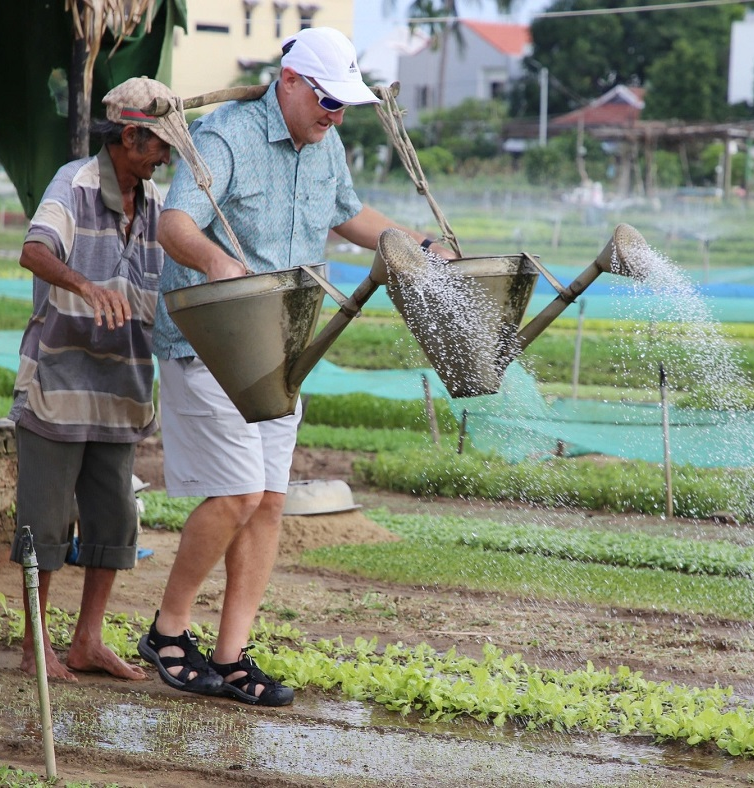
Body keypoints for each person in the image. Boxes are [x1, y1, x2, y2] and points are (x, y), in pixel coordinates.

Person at [139, 27, 452, 705]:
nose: (335, 115)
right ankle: (168, 631)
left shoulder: (326, 143)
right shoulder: (227, 137)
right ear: (290, 82)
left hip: (283, 344)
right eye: (327, 102)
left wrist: (417, 242)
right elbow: (175, 224)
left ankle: (231, 655)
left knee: (270, 503)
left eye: (343, 105)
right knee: (236, 495)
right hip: (212, 340)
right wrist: (220, 262)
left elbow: (347, 214)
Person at [9, 77, 190, 682]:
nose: (165, 156)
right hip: (59, 383)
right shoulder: (75, 183)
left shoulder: (158, 202)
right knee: (47, 519)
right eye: (158, 144)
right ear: (130, 135)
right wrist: (85, 287)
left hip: (121, 389)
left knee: (113, 521)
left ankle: (87, 641)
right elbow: (34, 251)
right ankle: (38, 647)